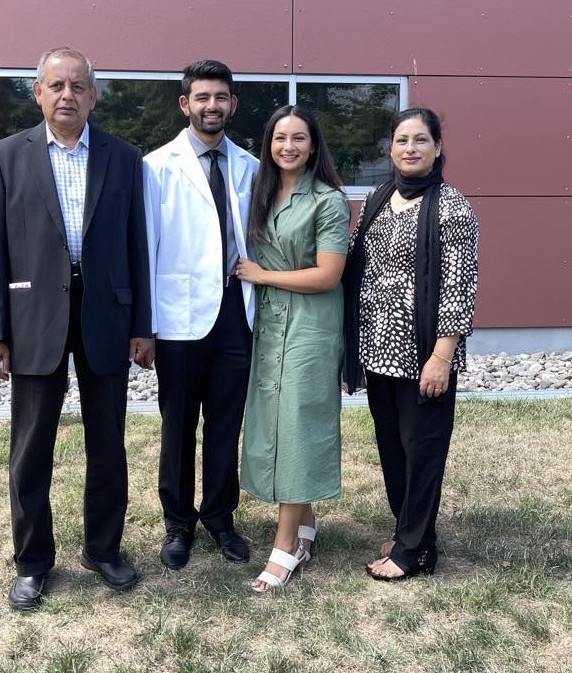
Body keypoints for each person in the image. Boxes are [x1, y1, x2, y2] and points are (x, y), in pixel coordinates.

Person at [0, 47, 153, 610]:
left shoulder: (124, 157)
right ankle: (32, 562)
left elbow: (136, 246)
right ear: (38, 92)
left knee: (108, 446)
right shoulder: (6, 156)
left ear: (93, 95)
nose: (67, 95)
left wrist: (142, 324)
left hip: (107, 317)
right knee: (31, 449)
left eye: (78, 86)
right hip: (33, 320)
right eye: (56, 85)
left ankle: (103, 550)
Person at [343, 107, 479, 581]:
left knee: (422, 450)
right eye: (402, 140)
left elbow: (459, 289)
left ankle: (416, 552)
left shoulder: (452, 206)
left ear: (438, 148)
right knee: (393, 448)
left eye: (421, 140)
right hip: (378, 350)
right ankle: (410, 531)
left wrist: (442, 356)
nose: (410, 149)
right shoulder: (380, 197)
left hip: (423, 355)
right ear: (391, 148)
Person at [143, 60, 259, 570]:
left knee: (225, 422)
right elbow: (146, 246)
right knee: (178, 424)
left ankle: (220, 517)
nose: (212, 106)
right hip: (179, 315)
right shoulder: (156, 166)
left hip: (235, 311)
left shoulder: (251, 165)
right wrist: (143, 326)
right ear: (185, 103)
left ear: (233, 104)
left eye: (222, 97)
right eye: (202, 97)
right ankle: (178, 523)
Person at [236, 105, 350, 592]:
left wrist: (263, 275)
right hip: (270, 322)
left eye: (298, 138)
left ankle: (285, 550)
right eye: (280, 137)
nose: (288, 146)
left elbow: (328, 274)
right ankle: (304, 528)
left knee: (300, 426)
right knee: (275, 424)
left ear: (313, 145)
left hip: (310, 326)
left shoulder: (329, 201)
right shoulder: (260, 191)